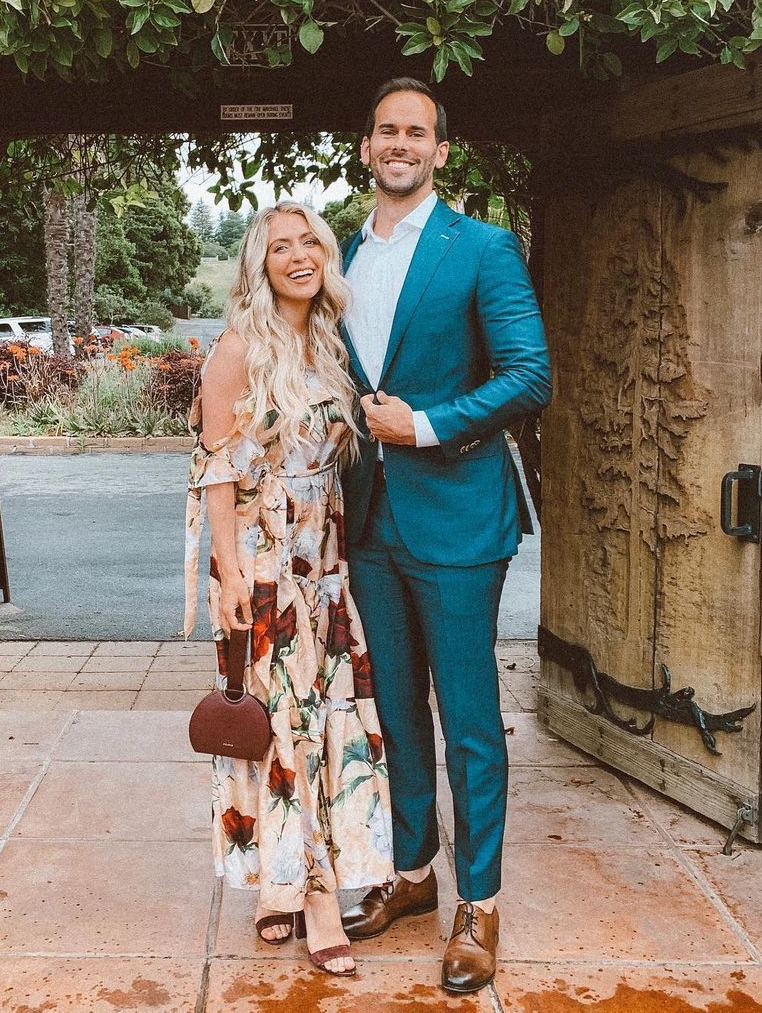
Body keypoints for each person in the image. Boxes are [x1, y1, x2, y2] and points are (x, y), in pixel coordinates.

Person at [338, 78, 551, 994]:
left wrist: (423, 426)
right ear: (365, 147)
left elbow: (529, 375)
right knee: (395, 712)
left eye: (416, 132)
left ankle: (480, 904)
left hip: (459, 514)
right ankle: (414, 873)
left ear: (440, 151)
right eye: (386, 130)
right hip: (369, 519)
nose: (400, 143)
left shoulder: (482, 248)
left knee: (467, 719)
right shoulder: (345, 252)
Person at [184, 202, 394, 976]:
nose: (300, 255)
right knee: (279, 727)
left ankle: (278, 885)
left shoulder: (330, 344)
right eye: (281, 247)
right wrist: (230, 574)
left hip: (324, 566)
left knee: (319, 721)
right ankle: (315, 899)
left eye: (311, 242)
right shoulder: (239, 347)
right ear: (260, 264)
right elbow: (216, 468)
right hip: (263, 567)